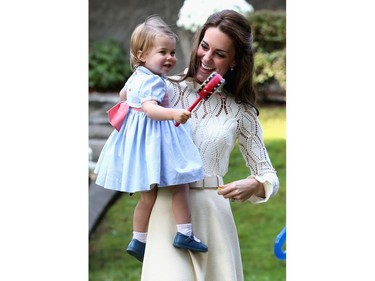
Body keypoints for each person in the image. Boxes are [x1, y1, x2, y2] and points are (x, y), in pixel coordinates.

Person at [141, 10, 280, 281]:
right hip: (166, 209)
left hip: (213, 215)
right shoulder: (161, 90)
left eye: (219, 53)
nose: (206, 58)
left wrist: (255, 184)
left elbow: (268, 174)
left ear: (235, 61)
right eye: (204, 46)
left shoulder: (241, 111)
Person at [94, 15, 208, 263]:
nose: (170, 58)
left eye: (173, 52)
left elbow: (124, 95)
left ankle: (139, 239)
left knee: (148, 196)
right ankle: (184, 233)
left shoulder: (137, 76)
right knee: (180, 184)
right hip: (156, 139)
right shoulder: (154, 81)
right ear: (142, 54)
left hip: (140, 143)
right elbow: (151, 110)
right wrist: (174, 113)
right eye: (163, 52)